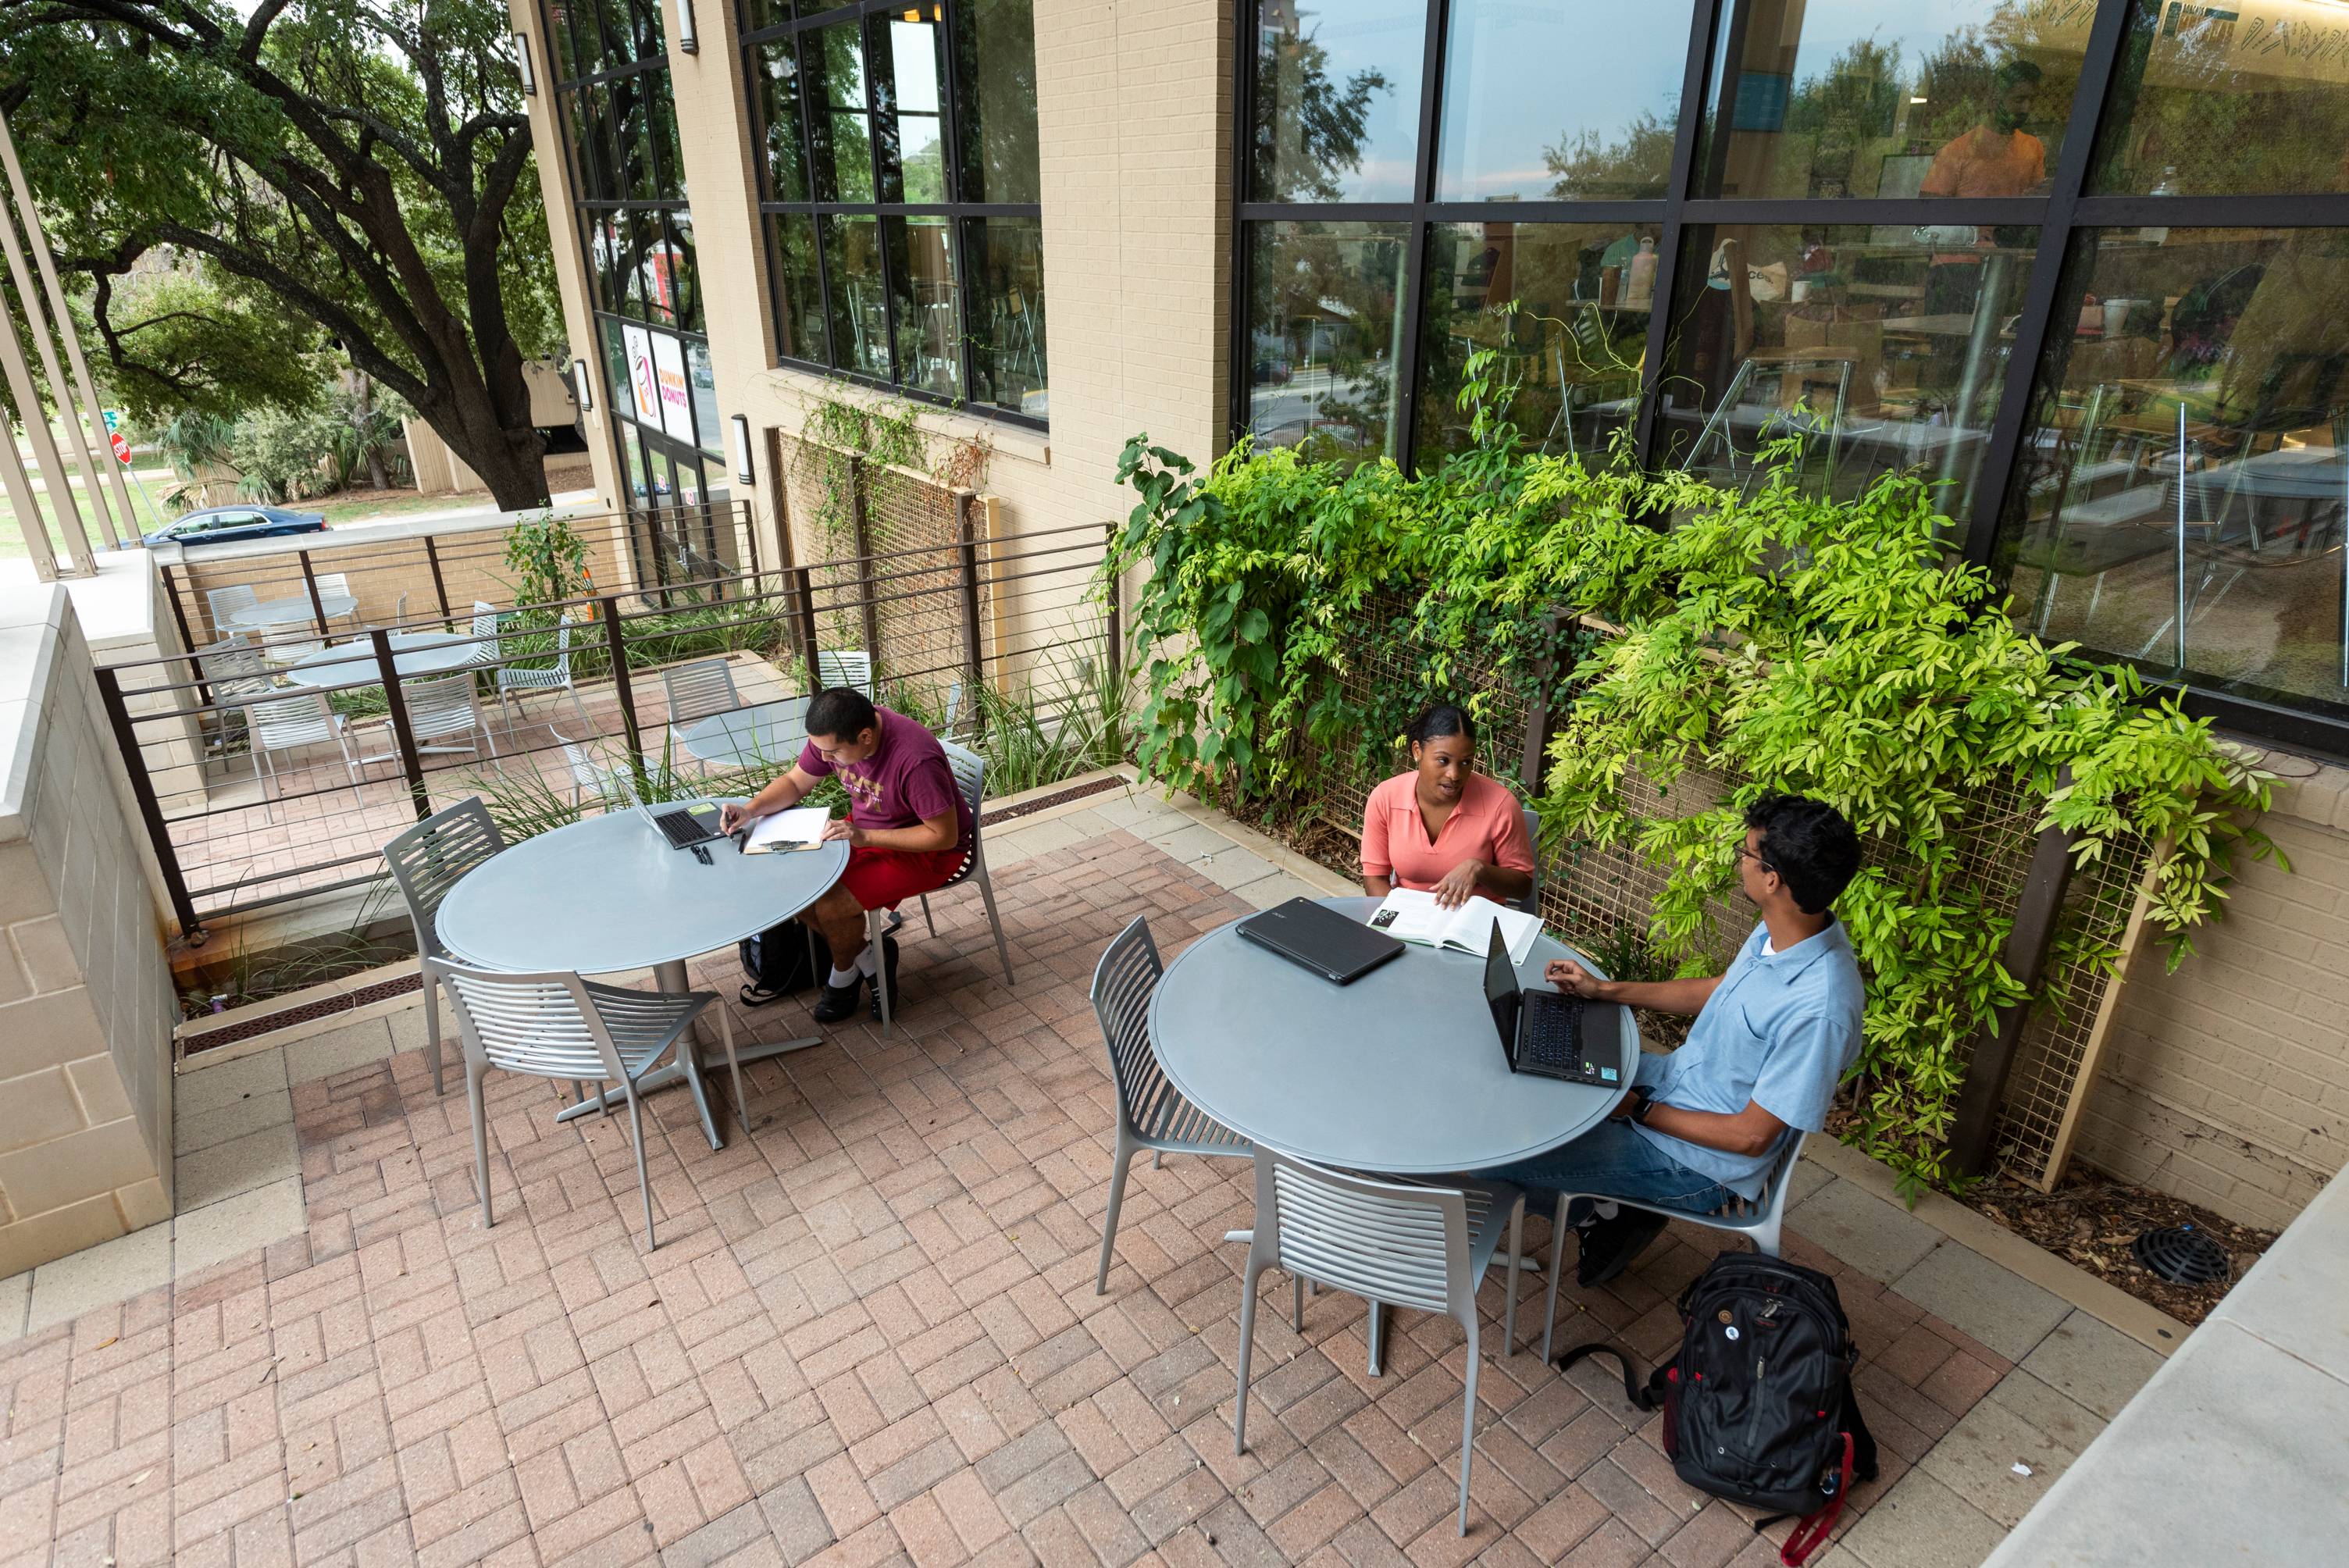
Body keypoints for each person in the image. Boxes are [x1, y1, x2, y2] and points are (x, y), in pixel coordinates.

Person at [1483, 793, 1865, 1287]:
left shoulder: (1821, 1008)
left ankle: (1605, 1212)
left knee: (1505, 1153)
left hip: (1697, 1166)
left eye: (1746, 853)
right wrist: (1605, 991)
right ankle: (1612, 1210)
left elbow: (1751, 1137)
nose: (1739, 862)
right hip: (1672, 1083)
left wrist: (1637, 1109)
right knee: (1530, 1075)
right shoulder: (1785, 931)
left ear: (1772, 879)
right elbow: (1717, 990)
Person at [719, 687, 971, 1021]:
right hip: (864, 833)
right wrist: (750, 811)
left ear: (865, 737)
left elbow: (942, 836)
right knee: (799, 889)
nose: (824, 759)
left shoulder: (915, 760)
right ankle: (871, 959)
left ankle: (842, 978)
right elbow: (795, 783)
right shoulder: (837, 731)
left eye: (833, 752)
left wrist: (864, 835)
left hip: (928, 850)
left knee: (833, 906)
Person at [1360, 704, 1535, 911]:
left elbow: (1522, 887)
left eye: (1465, 762)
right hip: (1407, 918)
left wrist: (1479, 869)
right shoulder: (1386, 798)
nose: (1454, 774)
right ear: (1417, 751)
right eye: (1443, 760)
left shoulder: (1500, 805)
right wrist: (1399, 921)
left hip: (1474, 925)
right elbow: (1374, 879)